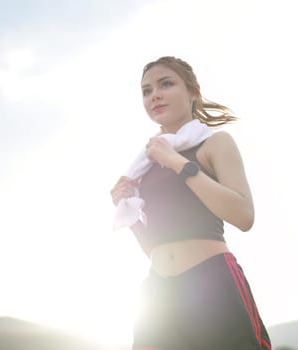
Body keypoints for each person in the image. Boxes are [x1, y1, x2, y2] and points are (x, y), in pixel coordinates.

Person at [110, 56, 272, 350]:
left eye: (166, 84)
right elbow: (155, 248)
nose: (154, 95)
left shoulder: (215, 143)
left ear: (193, 91)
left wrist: (177, 163)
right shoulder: (145, 164)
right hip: (158, 294)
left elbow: (243, 215)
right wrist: (130, 214)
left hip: (210, 283)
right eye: (146, 91)